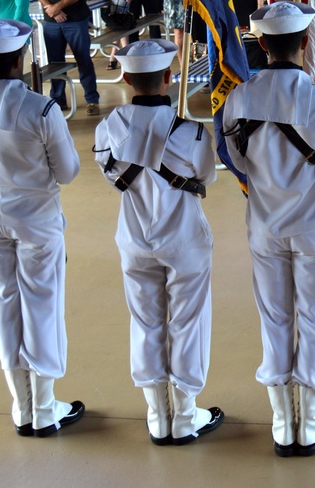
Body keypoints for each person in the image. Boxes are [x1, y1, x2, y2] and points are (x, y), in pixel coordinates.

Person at [222, 1, 315, 457]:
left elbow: (239, 163)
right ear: (306, 42)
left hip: (264, 227)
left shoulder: (238, 99)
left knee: (275, 318)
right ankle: (312, 417)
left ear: (261, 44)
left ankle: (284, 422)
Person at [0, 19, 84, 438]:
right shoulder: (39, 108)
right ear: (20, 58)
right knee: (41, 305)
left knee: (3, 305)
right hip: (37, 223)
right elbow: (67, 173)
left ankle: (21, 406)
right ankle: (45, 408)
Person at [94, 39, 223, 446]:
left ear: (127, 79)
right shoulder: (191, 132)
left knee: (146, 321)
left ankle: (156, 415)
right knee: (187, 321)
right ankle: (185, 415)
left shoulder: (108, 127)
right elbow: (206, 177)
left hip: (134, 239)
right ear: (170, 77)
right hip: (183, 239)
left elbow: (109, 173)